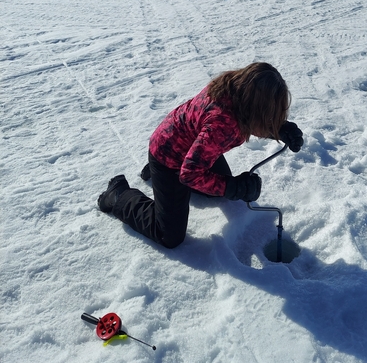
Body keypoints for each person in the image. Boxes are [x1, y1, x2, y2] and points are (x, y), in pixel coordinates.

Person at [98, 62, 303, 248]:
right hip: (168, 156)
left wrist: (279, 128)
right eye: (269, 116)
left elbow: (251, 119)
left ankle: (157, 175)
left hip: (191, 145)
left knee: (217, 189)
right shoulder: (222, 124)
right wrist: (232, 186)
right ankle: (118, 194)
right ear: (255, 108)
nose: (270, 119)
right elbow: (189, 175)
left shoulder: (234, 89)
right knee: (169, 235)